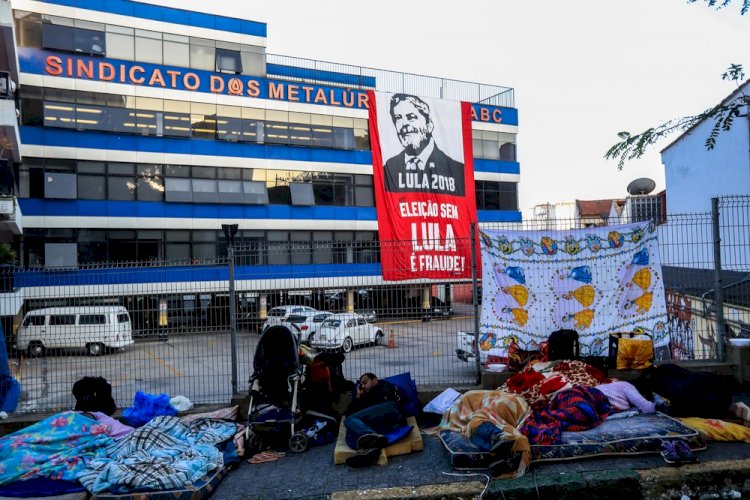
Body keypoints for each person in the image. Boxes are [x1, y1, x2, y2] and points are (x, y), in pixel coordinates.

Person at [383, 93, 465, 196]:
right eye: (398, 118)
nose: (404, 124)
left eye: (411, 117)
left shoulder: (457, 170)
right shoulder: (388, 168)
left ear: (429, 126)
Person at [343, 373, 411, 467]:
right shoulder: (365, 396)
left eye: (365, 382)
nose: (363, 386)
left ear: (375, 380)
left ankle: (369, 443)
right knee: (351, 431)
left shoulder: (386, 386)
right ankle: (370, 452)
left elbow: (397, 401)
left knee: (350, 420)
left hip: (391, 411)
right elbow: (349, 413)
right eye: (361, 384)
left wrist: (369, 394)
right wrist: (358, 397)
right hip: (385, 424)